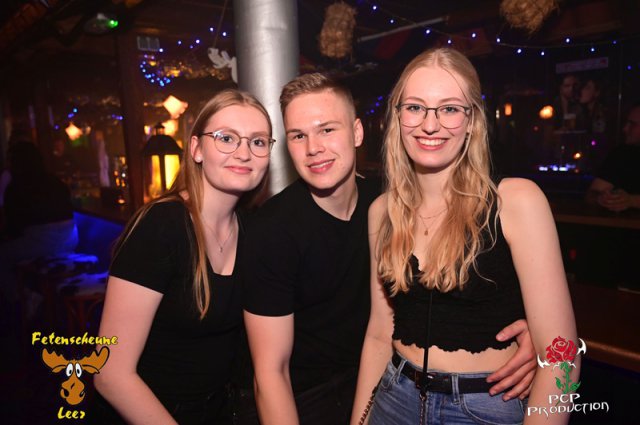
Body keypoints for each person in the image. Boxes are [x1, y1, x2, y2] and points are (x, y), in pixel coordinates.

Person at [243, 73, 537, 425]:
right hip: (312, 398)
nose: (313, 148)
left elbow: (472, 276)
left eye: (327, 130)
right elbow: (270, 373)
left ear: (357, 133)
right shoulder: (271, 231)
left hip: (389, 381)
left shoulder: (392, 203)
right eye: (298, 136)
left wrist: (534, 332)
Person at [351, 48, 579, 425]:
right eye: (415, 107)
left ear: (472, 120)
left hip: (482, 407)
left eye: (450, 109)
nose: (430, 124)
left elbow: (562, 355)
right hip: (394, 396)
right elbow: (379, 333)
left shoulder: (516, 201)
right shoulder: (382, 211)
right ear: (398, 116)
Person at [93, 89, 274, 424]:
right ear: (196, 149)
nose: (244, 152)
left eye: (258, 142)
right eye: (226, 138)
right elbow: (110, 373)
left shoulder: (252, 230)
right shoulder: (162, 226)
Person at [0, 142, 78, 303]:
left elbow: (13, 227)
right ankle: (46, 297)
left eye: (10, 159)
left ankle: (23, 298)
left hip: (40, 242)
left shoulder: (16, 187)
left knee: (3, 255)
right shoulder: (54, 181)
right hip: (71, 239)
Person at [586, 103, 640, 211]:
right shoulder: (622, 154)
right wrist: (602, 199)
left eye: (632, 124)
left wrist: (632, 201)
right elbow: (591, 195)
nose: (625, 129)